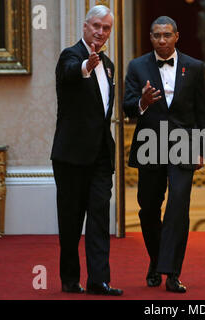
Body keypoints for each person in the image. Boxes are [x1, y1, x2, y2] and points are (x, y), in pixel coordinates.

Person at [123, 16, 205, 293]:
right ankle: (155, 259)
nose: (162, 40)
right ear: (150, 37)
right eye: (157, 35)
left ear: (177, 36)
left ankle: (172, 272)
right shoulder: (137, 66)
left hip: (184, 144)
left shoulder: (194, 67)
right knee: (148, 208)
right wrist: (142, 102)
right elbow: (127, 107)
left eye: (167, 35)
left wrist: (201, 149)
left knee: (177, 207)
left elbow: (202, 113)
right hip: (151, 145)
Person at [51, 5, 123, 296]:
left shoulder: (108, 65)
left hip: (101, 158)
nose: (100, 32)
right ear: (84, 26)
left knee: (99, 219)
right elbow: (69, 74)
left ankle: (98, 280)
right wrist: (85, 67)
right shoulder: (71, 56)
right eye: (96, 26)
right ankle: (70, 279)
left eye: (106, 28)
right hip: (71, 156)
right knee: (70, 222)